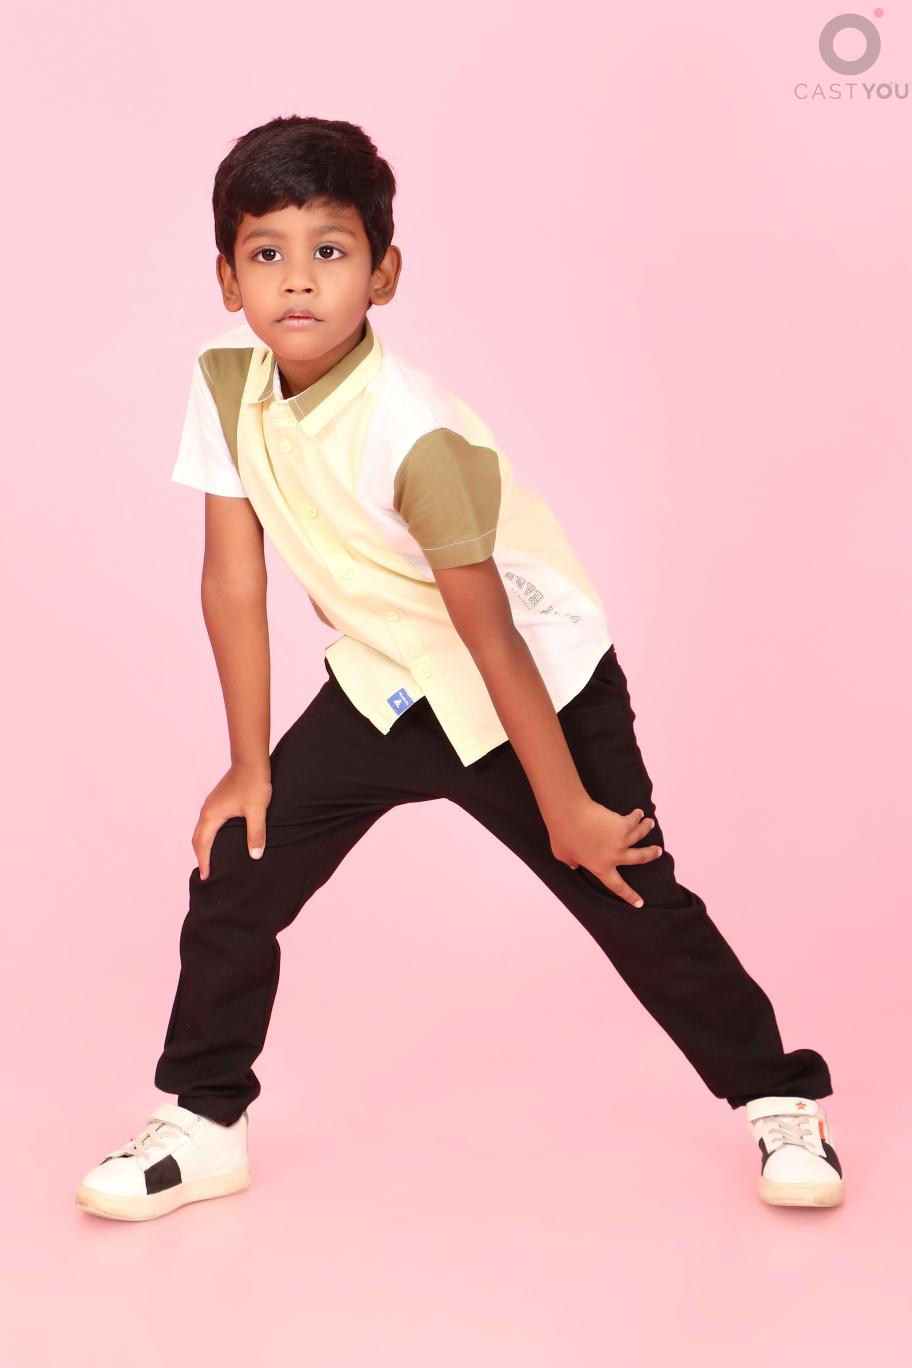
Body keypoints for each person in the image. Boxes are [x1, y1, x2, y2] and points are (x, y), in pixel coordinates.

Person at [75, 115, 844, 1222]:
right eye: (267, 253)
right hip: (392, 676)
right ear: (227, 276)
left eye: (330, 251)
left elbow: (493, 638)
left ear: (383, 274)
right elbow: (232, 581)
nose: (298, 280)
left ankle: (779, 1097)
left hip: (532, 682)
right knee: (238, 865)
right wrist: (249, 765)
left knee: (629, 886)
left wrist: (567, 808)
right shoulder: (225, 380)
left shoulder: (415, 435)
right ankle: (205, 1122)